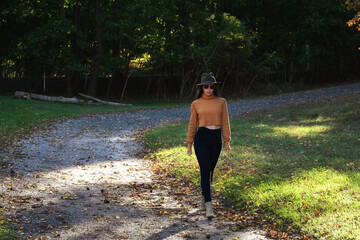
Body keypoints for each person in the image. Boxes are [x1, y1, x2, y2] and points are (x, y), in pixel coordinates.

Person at [187, 72, 231, 219]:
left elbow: (225, 121)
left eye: (212, 87)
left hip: (215, 139)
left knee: (210, 171)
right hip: (202, 138)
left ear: (214, 88)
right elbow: (193, 124)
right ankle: (209, 206)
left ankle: (204, 197)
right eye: (206, 87)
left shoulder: (222, 102)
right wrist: (189, 143)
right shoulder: (196, 104)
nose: (209, 89)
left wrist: (227, 141)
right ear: (202, 88)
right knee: (205, 169)